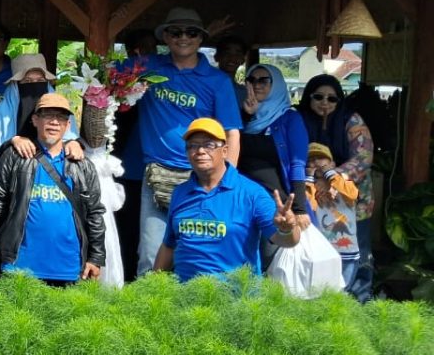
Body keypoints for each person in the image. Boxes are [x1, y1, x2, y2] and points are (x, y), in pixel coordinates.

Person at [132, 8, 242, 276]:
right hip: (156, 174)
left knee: (198, 253)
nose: (184, 38)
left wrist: (229, 180)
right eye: (176, 32)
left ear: (201, 38)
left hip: (201, 176)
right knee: (150, 255)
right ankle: (150, 303)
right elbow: (102, 79)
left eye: (191, 33)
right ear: (165, 37)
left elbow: (231, 132)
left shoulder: (218, 81)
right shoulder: (148, 67)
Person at [153, 118, 301, 282]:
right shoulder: (180, 193)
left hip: (236, 295)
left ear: (224, 151)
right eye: (193, 145)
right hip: (186, 294)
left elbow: (287, 241)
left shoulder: (252, 193)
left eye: (209, 145)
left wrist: (287, 229)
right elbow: (169, 245)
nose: (200, 151)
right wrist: (152, 285)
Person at [0, 93, 106, 285]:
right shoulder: (15, 156)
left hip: (69, 268)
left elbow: (94, 212)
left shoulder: (82, 164)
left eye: (61, 117)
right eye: (48, 115)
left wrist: (96, 257)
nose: (54, 122)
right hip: (19, 266)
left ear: (68, 125)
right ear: (35, 120)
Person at [297, 74, 375, 302]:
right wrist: (315, 176)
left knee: (357, 251)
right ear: (308, 97)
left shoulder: (352, 120)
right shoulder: (298, 119)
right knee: (314, 251)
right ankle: (319, 301)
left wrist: (332, 177)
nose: (325, 103)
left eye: (332, 98)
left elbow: (363, 157)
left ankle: (359, 300)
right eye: (318, 97)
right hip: (312, 198)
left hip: (352, 200)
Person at [239, 64, 312, 225]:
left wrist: (299, 209)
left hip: (277, 204)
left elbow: (297, 164)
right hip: (243, 202)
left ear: (276, 84)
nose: (257, 85)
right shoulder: (242, 115)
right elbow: (228, 145)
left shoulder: (290, 119)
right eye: (251, 80)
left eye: (263, 80)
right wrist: (247, 115)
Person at [113, 28, 156, 281]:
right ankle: (127, 278)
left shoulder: (160, 79)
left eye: (153, 47)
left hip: (154, 169)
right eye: (143, 48)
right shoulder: (121, 81)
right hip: (127, 167)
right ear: (132, 51)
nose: (150, 53)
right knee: (127, 230)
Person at [0, 53, 81, 160]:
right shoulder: (2, 112)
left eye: (40, 81)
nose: (34, 86)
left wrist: (73, 143)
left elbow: (70, 138)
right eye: (27, 81)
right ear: (16, 84)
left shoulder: (61, 108)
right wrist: (12, 142)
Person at [305, 143, 361, 292]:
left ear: (333, 164)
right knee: (322, 292)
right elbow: (307, 206)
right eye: (311, 160)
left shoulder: (343, 180)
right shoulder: (309, 186)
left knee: (342, 293)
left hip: (347, 251)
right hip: (322, 252)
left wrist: (329, 174)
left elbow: (352, 194)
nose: (316, 162)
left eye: (321, 158)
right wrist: (310, 178)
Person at [214, 35, 250, 104]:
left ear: (243, 60)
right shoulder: (205, 86)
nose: (232, 58)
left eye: (238, 54)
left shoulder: (244, 93)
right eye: (227, 53)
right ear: (216, 57)